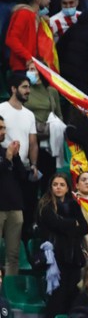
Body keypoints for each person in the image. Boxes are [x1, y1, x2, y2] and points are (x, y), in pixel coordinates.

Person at [38, 173, 88, 318]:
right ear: (50, 187)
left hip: (73, 259)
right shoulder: (45, 206)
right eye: (55, 184)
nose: (58, 187)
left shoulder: (74, 204)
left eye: (62, 184)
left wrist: (69, 225)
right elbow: (55, 224)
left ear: (68, 187)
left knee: (72, 298)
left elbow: (84, 228)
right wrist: (71, 224)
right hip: (55, 260)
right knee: (56, 299)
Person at [0, 114, 26, 277]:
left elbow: (23, 177)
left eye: (4, 128)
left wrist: (16, 157)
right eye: (0, 128)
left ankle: (10, 291)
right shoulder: (5, 154)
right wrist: (8, 159)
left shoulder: (6, 151)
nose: (3, 131)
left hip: (15, 207)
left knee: (13, 255)